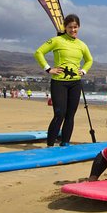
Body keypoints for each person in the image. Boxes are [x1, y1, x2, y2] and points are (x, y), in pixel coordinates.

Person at [34, 14, 93, 147]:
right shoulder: (57, 40)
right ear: (65, 27)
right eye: (70, 27)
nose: (73, 30)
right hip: (59, 82)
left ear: (79, 27)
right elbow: (38, 52)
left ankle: (65, 143)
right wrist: (48, 69)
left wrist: (83, 71)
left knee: (70, 115)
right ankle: (50, 145)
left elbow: (89, 60)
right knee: (59, 114)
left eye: (75, 27)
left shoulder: (82, 45)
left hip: (75, 83)